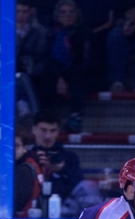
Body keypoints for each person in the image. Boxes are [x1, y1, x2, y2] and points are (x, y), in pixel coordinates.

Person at [36, 0, 91, 133]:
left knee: (77, 77)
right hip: (55, 73)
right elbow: (46, 57)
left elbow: (85, 61)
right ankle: (47, 119)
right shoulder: (49, 33)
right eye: (63, 12)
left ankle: (75, 118)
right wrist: (60, 77)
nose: (67, 15)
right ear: (57, 15)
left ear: (77, 14)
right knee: (46, 76)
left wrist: (65, 77)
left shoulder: (85, 33)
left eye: (71, 12)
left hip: (78, 72)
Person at [26, 110, 84, 207]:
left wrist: (63, 169)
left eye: (52, 131)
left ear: (58, 132)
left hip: (63, 213)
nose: (48, 136)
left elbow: (81, 187)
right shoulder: (26, 157)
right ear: (34, 130)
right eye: (43, 130)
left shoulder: (69, 158)